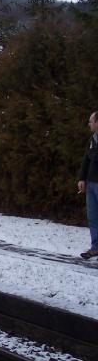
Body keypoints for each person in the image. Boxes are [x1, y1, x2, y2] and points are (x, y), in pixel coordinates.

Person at [77, 111, 98, 259]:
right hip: (91, 183)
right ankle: (95, 247)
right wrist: (82, 178)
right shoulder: (93, 139)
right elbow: (87, 159)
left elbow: (94, 157)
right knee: (93, 217)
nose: (89, 124)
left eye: (91, 121)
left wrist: (93, 155)